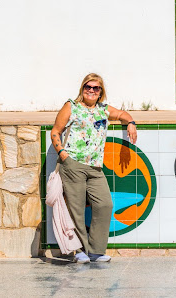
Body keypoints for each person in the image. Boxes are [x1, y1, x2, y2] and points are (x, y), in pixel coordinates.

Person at [51, 73, 138, 263]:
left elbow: (122, 114)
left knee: (104, 204)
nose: (91, 90)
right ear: (82, 89)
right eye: (87, 87)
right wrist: (64, 155)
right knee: (77, 208)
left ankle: (96, 251)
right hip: (73, 164)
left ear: (101, 92)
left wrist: (130, 123)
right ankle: (80, 251)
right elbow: (56, 131)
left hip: (95, 167)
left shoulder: (103, 110)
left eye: (95, 88)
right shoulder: (71, 106)